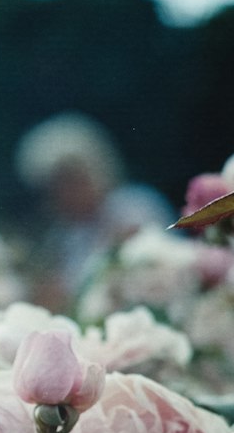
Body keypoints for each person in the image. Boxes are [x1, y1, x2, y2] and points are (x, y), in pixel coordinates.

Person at [15, 112, 172, 302]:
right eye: (53, 188)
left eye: (70, 181)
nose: (63, 195)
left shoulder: (135, 205)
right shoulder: (66, 238)